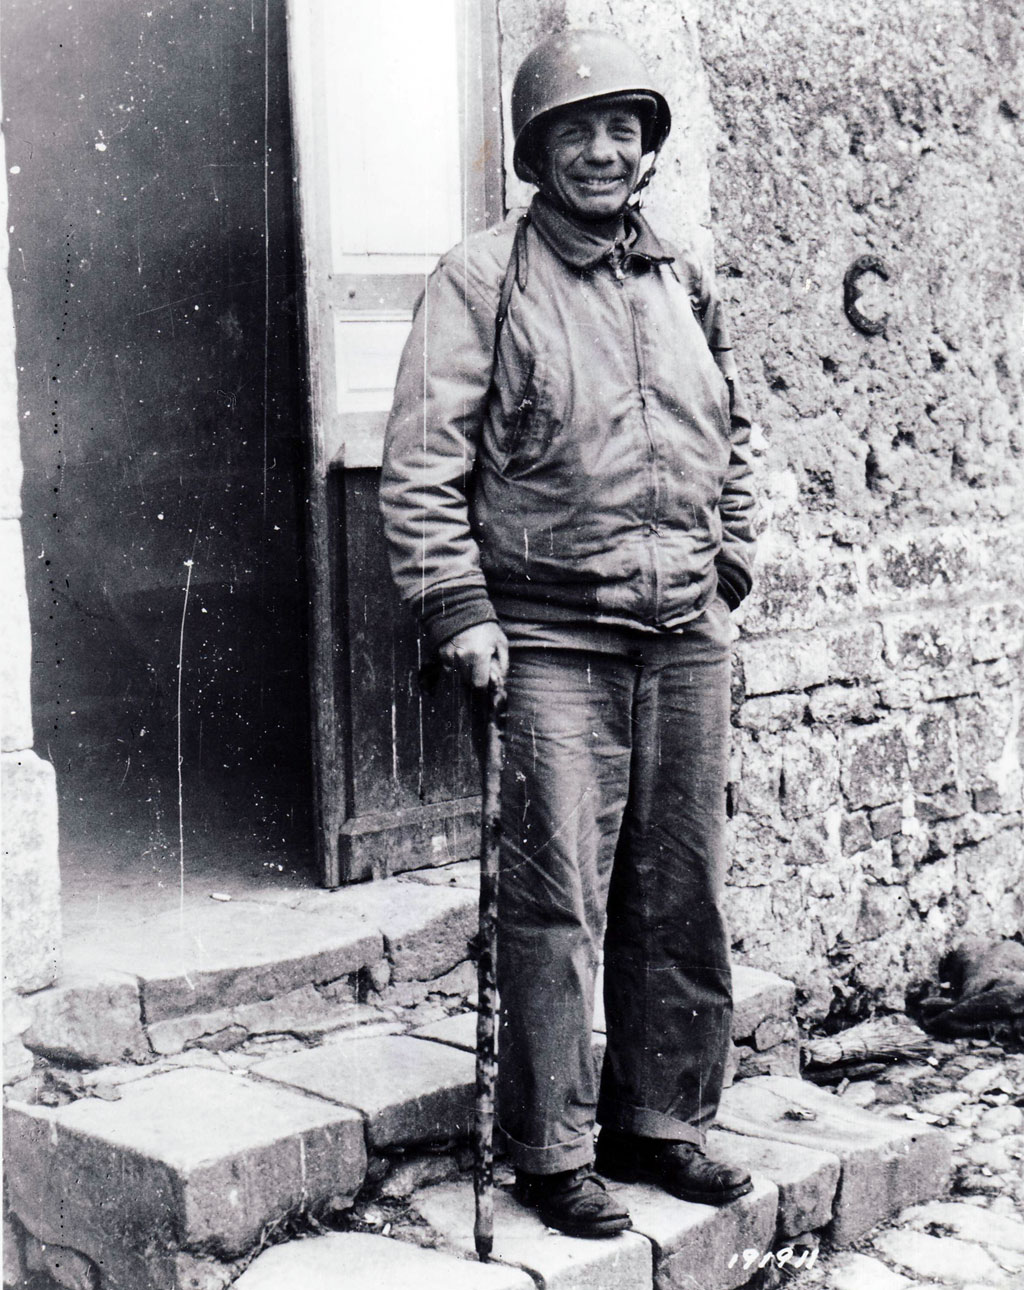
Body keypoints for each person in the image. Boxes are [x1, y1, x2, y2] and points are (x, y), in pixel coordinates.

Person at [380, 29, 756, 1239]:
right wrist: (459, 608)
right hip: (548, 641)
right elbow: (423, 469)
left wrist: (732, 555)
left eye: (623, 129)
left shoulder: (680, 275)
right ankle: (551, 1151)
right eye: (576, 131)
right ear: (537, 149)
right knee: (555, 905)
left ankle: (665, 1124)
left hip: (685, 634)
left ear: (647, 147)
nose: (603, 150)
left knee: (681, 885)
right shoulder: (483, 278)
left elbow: (732, 432)